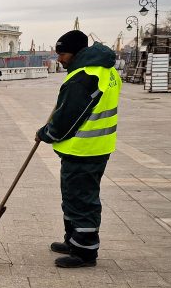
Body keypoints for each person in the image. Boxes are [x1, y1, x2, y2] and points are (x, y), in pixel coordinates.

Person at [36, 30, 120, 269]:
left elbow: (68, 118)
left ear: (75, 52)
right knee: (74, 197)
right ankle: (73, 241)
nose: (59, 59)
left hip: (84, 150)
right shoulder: (106, 71)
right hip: (95, 147)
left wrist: (46, 133)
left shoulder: (85, 76)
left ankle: (84, 252)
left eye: (62, 53)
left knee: (81, 200)